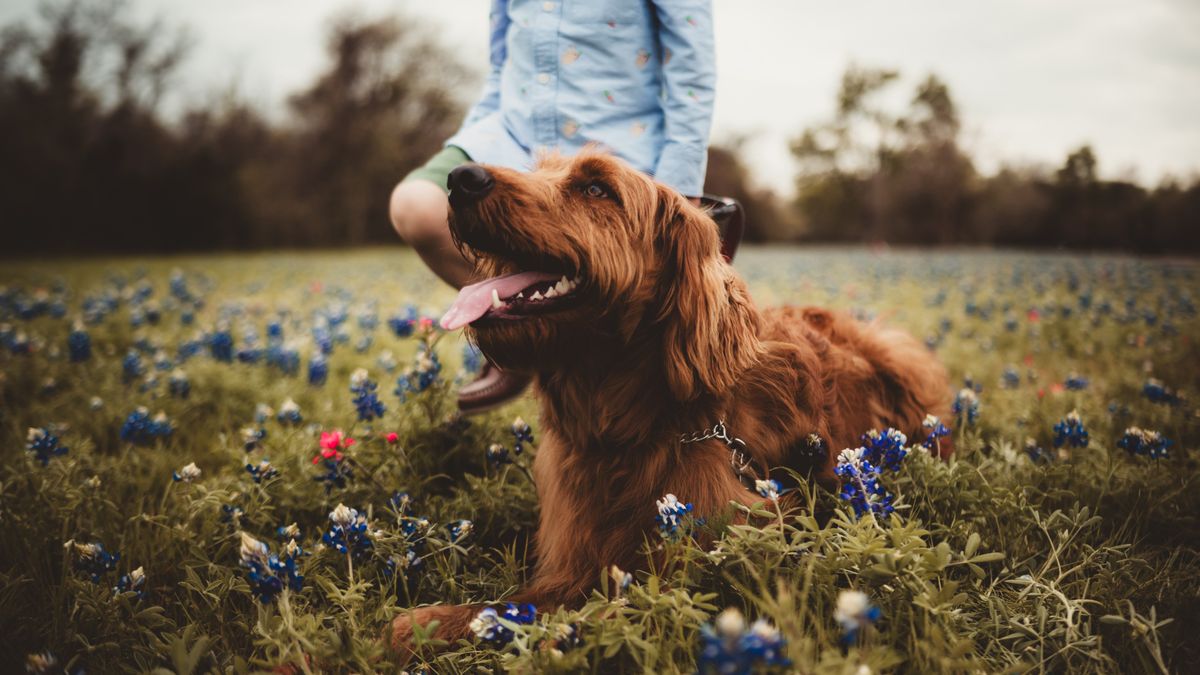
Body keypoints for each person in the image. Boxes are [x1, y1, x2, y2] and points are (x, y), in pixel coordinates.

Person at [390, 0, 725, 414]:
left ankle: (572, 347)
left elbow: (691, 70)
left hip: (615, 144)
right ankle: (519, 332)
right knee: (417, 204)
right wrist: (476, 134)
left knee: (620, 288)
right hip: (512, 134)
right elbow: (501, 67)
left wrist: (679, 186)